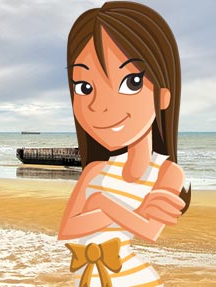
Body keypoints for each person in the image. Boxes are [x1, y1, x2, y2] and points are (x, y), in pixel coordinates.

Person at [57, 2, 191, 287]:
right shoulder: (95, 170)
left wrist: (101, 203)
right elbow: (67, 230)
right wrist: (121, 212)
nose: (99, 106)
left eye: (131, 82)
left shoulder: (168, 173)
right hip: (89, 278)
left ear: (163, 96)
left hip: (134, 279)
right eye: (85, 87)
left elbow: (149, 232)